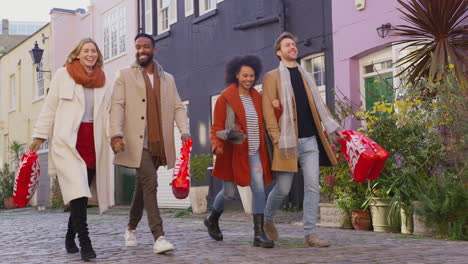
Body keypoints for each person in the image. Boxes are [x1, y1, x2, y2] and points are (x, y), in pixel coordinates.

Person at [30, 38, 113, 261]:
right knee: (77, 188)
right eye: (86, 50)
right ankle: (85, 243)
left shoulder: (104, 79)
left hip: (93, 141)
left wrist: (116, 136)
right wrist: (39, 136)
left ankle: (69, 237)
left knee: (81, 195)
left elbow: (110, 113)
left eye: (94, 51)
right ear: (77, 54)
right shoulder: (62, 75)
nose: (90, 54)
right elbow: (50, 107)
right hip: (68, 141)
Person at [110, 33, 190, 254]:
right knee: (151, 182)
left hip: (159, 142)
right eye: (137, 47)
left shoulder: (168, 79)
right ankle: (159, 236)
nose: (141, 50)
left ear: (154, 50)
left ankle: (130, 228)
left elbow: (177, 107)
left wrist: (184, 130)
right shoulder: (124, 75)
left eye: (146, 47)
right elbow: (116, 105)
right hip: (135, 142)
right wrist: (115, 133)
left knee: (142, 186)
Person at [262, 32, 344, 247]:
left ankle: (310, 234)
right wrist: (277, 139)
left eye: (294, 44)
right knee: (283, 189)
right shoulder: (272, 77)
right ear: (279, 52)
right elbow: (268, 113)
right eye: (287, 45)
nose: (293, 47)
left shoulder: (306, 75)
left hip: (309, 141)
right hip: (287, 142)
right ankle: (267, 219)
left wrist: (335, 128)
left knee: (312, 187)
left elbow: (319, 106)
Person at [206, 55, 274, 248]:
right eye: (245, 75)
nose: (248, 79)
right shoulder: (225, 98)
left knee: (259, 190)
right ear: (236, 75)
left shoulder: (257, 97)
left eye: (252, 75)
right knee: (228, 193)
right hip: (232, 153)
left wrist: (277, 108)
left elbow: (267, 119)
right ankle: (212, 219)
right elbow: (216, 127)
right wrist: (216, 144)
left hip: (254, 153)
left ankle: (258, 235)